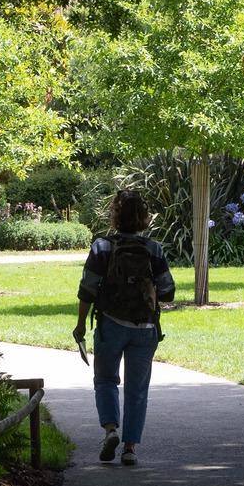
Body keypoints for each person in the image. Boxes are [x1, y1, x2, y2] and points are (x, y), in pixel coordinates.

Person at [73, 189, 176, 467]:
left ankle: (110, 431)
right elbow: (168, 291)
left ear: (115, 216)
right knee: (137, 389)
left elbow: (87, 289)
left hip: (111, 325)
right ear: (143, 218)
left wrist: (81, 324)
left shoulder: (102, 247)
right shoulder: (153, 249)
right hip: (145, 329)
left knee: (106, 380)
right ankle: (130, 448)